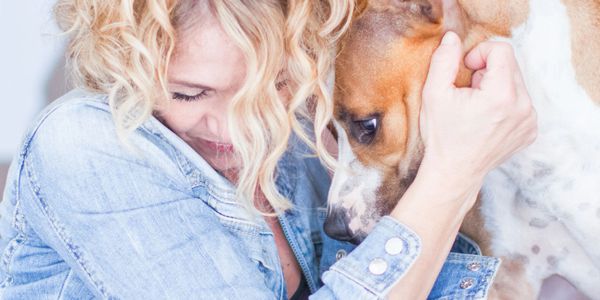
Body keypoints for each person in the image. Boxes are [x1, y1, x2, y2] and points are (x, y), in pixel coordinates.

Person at [0, 0, 536, 299]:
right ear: (126, 66)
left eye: (274, 85)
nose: (238, 128)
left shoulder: (294, 146)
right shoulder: (86, 149)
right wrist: (454, 173)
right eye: (190, 93)